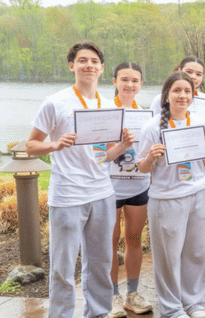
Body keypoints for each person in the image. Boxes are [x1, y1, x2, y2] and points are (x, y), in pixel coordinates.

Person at [26, 40, 132, 318]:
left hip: (102, 194)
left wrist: (122, 146)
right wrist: (55, 145)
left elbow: (104, 155)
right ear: (72, 66)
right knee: (63, 265)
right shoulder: (55, 102)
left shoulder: (108, 105)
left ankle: (97, 313)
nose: (89, 65)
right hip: (68, 196)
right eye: (83, 60)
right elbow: (30, 145)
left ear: (102, 68)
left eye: (94, 61)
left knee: (100, 262)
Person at [137, 72, 205, 318]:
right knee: (168, 257)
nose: (183, 95)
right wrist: (151, 157)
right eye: (177, 90)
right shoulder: (152, 127)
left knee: (197, 252)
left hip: (197, 194)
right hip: (167, 198)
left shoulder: (199, 123)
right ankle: (172, 308)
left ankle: (194, 301)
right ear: (167, 96)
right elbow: (141, 167)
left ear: (193, 95)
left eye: (187, 91)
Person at [108, 61, 153, 317]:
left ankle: (132, 293)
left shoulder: (146, 116)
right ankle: (113, 295)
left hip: (138, 184)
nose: (129, 85)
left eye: (135, 80)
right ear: (114, 82)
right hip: (109, 186)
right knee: (110, 242)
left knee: (135, 239)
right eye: (124, 79)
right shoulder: (104, 112)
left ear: (141, 84)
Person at [149, 57, 205, 193]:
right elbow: (153, 131)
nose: (193, 77)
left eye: (199, 74)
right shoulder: (161, 98)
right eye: (189, 71)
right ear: (179, 71)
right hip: (169, 172)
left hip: (200, 169)